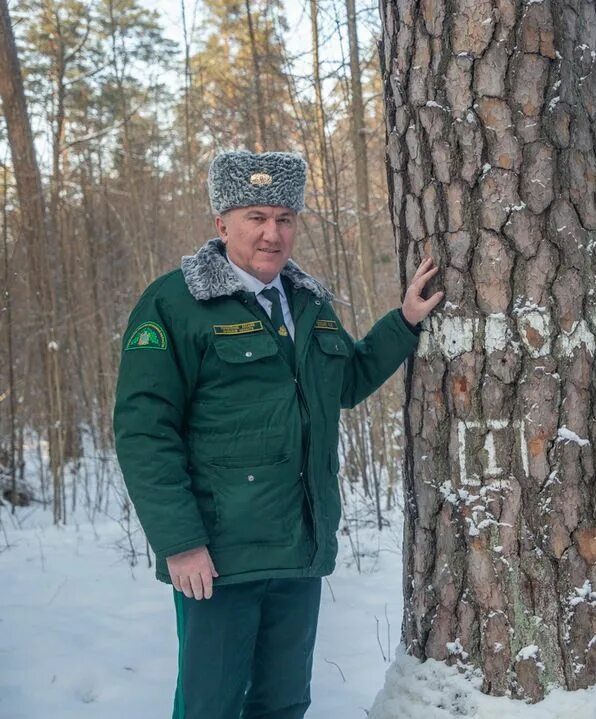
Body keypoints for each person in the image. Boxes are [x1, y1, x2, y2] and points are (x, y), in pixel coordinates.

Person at [113, 150, 442, 719]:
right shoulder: (175, 304)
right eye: (256, 217)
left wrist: (404, 322)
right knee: (212, 705)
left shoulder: (307, 300)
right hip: (218, 557)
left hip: (298, 549)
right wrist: (180, 542)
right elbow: (144, 431)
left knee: (284, 702)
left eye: (284, 219)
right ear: (222, 223)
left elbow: (347, 380)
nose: (272, 233)